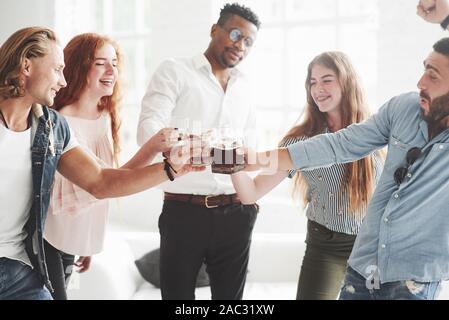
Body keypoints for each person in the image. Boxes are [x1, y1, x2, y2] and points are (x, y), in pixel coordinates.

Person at [0, 27, 201, 300]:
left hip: (18, 268)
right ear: (26, 65)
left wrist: (171, 169)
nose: (62, 80)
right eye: (57, 69)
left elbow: (101, 181)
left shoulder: (51, 128)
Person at [244, 35, 449, 299]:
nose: (420, 82)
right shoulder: (402, 109)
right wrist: (253, 159)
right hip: (361, 265)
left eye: (433, 75)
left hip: (414, 275)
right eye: (424, 69)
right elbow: (338, 146)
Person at [231, 52, 383, 300]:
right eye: (312, 82)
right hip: (325, 246)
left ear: (347, 81)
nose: (318, 89)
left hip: (371, 247)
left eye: (326, 80)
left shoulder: (376, 132)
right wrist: (232, 165)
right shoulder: (299, 141)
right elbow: (251, 193)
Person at [42, 33, 181, 300]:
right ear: (79, 67)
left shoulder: (104, 117)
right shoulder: (59, 122)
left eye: (114, 63)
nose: (111, 71)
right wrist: (162, 159)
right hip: (49, 238)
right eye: (100, 63)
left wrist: (86, 240)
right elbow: (97, 187)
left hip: (71, 240)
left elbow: (113, 179)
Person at [137, 3, 261, 300]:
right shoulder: (175, 71)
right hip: (183, 212)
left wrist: (250, 201)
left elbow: (251, 152)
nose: (239, 45)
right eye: (234, 33)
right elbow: (148, 131)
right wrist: (196, 147)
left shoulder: (246, 88)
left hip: (236, 213)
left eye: (248, 41)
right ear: (214, 30)